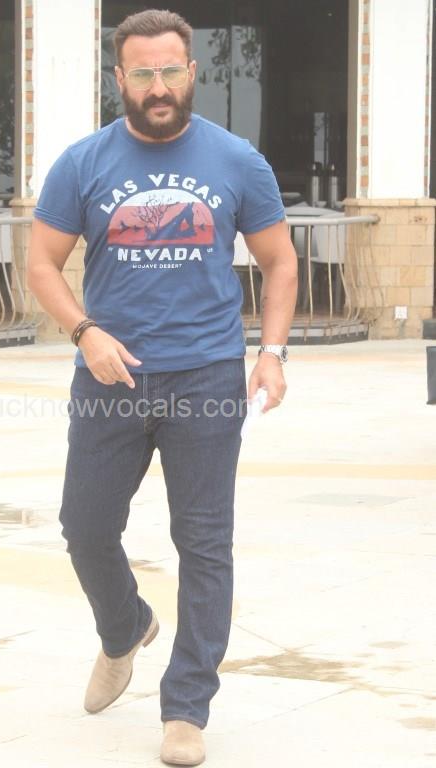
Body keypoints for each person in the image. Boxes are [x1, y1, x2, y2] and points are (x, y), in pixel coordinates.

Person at [26, 9, 297, 766]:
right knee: (84, 527)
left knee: (204, 543)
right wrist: (85, 331)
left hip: (207, 376)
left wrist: (272, 353)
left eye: (170, 70)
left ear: (191, 72)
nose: (157, 86)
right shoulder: (83, 162)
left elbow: (279, 261)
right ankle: (125, 628)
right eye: (142, 72)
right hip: (108, 376)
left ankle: (186, 709)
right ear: (120, 78)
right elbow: (42, 263)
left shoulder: (236, 160)